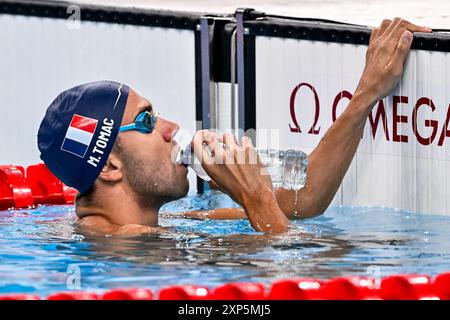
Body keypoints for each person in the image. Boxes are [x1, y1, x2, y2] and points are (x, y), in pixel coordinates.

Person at [37, 18, 431, 236]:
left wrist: (366, 94)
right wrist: (255, 202)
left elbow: (301, 201)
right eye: (146, 121)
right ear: (108, 167)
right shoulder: (126, 250)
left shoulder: (163, 225)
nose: (172, 128)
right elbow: (314, 276)